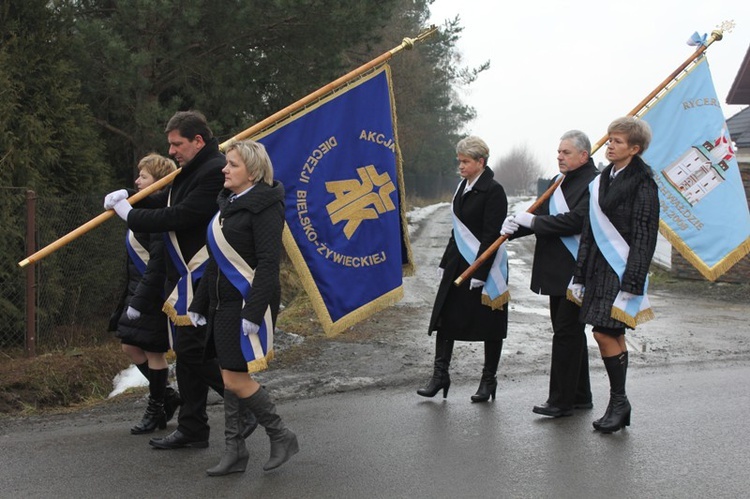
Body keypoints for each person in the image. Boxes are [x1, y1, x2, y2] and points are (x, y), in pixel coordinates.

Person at [105, 110, 257, 449]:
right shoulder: (193, 169)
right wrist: (127, 198)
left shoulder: (213, 170)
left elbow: (185, 214)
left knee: (191, 351)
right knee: (187, 354)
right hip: (186, 276)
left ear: (197, 141)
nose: (172, 151)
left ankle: (247, 405)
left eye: (177, 144)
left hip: (206, 273)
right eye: (170, 145)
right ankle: (192, 428)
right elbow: (166, 200)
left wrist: (133, 216)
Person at [189, 139, 298, 476]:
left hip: (247, 303)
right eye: (227, 163)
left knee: (235, 379)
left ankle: (282, 435)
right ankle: (235, 450)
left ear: (252, 172)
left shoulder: (266, 207)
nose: (225, 168)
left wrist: (253, 311)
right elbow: (216, 262)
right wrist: (199, 302)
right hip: (222, 302)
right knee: (230, 376)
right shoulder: (229, 203)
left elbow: (267, 264)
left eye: (232, 164)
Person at [569, 117, 659, 434]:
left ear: (634, 149)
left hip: (621, 273)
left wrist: (633, 284)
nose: (609, 146)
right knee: (612, 334)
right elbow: (589, 231)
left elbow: (646, 235)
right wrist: (579, 274)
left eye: (617, 142)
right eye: (609, 140)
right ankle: (619, 404)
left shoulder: (643, 183)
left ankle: (619, 402)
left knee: (604, 333)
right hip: (597, 268)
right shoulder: (602, 178)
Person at [501, 130, 598, 418]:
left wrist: (534, 222)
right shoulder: (558, 183)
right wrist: (513, 229)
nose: (559, 157)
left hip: (576, 270)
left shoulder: (593, 184)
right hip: (556, 270)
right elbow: (539, 217)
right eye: (558, 152)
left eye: (566, 153)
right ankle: (580, 395)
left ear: (583, 155)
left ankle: (560, 401)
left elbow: (577, 221)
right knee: (570, 333)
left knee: (566, 334)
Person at [418, 136, 509, 403]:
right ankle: (440, 376)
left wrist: (480, 273)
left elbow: (492, 234)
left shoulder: (493, 190)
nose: (461, 166)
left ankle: (488, 380)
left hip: (485, 268)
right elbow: (456, 231)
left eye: (466, 162)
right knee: (445, 319)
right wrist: (444, 262)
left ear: (481, 162)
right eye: (459, 161)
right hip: (458, 263)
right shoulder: (461, 187)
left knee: (490, 325)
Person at [107, 153, 181, 434]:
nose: (137, 180)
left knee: (153, 351)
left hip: (153, 294)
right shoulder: (142, 211)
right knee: (130, 345)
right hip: (137, 290)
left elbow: (157, 264)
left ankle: (156, 409)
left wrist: (140, 299)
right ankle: (169, 396)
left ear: (158, 182)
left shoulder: (159, 215)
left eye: (144, 177)